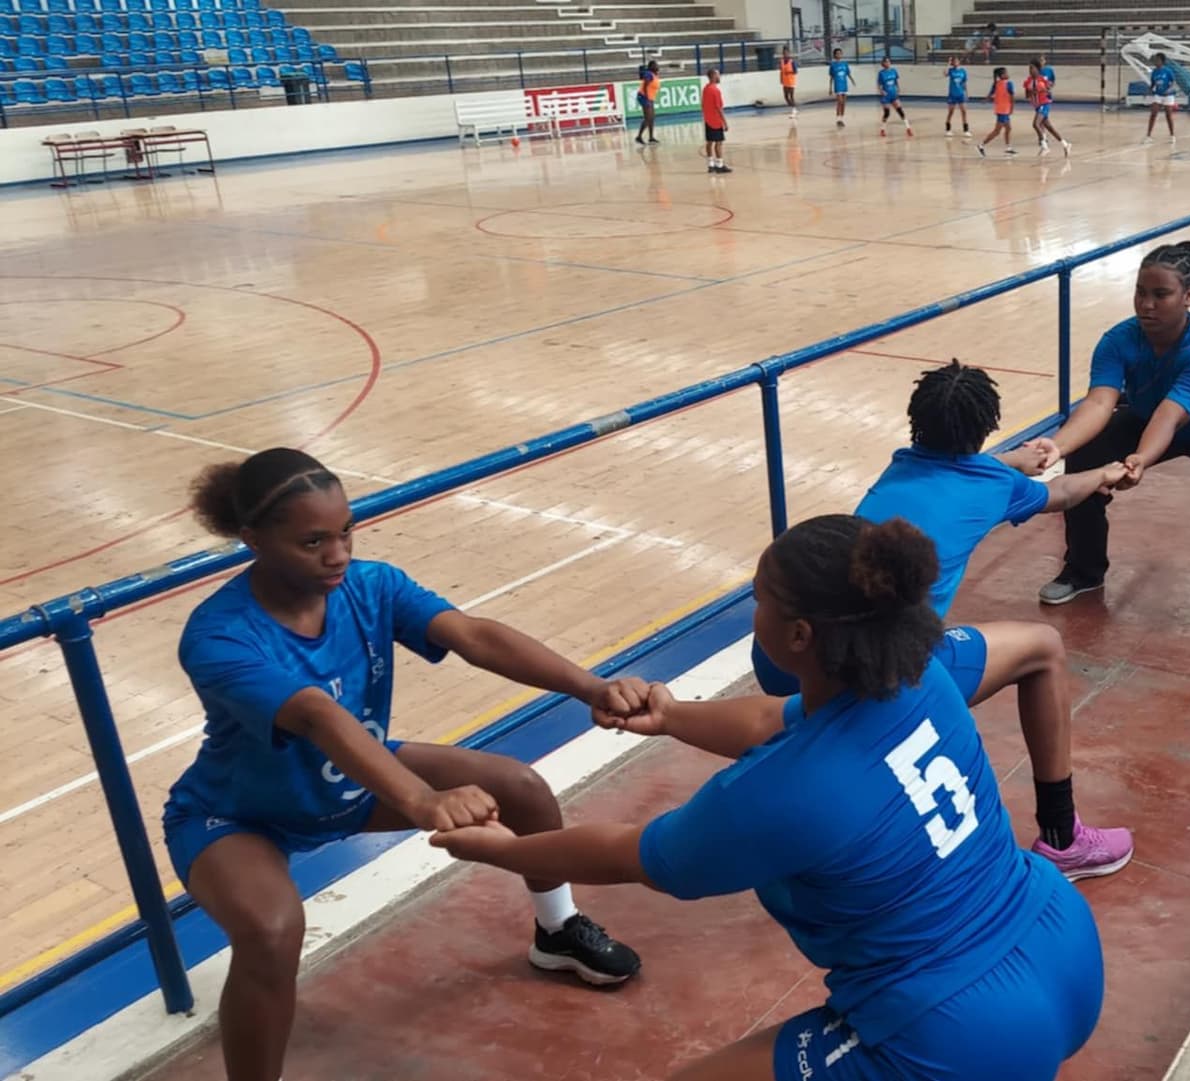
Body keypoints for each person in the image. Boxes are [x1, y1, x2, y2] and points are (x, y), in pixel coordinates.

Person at [433, 515, 1106, 1081]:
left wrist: (504, 850)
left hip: (958, 1032)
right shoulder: (921, 673)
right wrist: (672, 715)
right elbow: (771, 720)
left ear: (799, 634)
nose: (753, 609)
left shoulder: (777, 793)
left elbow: (630, 853)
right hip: (1062, 942)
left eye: (759, 598)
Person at [163, 449, 642, 1081]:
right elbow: (317, 716)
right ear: (252, 540)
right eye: (313, 542)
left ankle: (556, 933)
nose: (338, 555)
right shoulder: (218, 635)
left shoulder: (371, 586)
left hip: (352, 780)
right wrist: (420, 799)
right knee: (273, 932)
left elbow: (473, 636)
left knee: (522, 788)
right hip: (239, 814)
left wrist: (592, 687)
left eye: (346, 532)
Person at [750, 362, 1138, 878]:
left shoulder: (899, 467)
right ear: (984, 428)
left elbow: (958, 473)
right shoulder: (994, 483)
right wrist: (1104, 474)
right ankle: (1063, 837)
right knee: (1044, 648)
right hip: (871, 668)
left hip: (781, 659)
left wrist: (1011, 461)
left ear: (917, 422)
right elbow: (1062, 493)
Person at [1033, 242, 1190, 639]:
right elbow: (1099, 402)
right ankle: (1083, 570)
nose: (1146, 305)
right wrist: (1059, 446)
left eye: (1161, 294)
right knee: (1084, 456)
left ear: (1188, 296)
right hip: (1150, 415)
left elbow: (1170, 416)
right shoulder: (1118, 340)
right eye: (1141, 292)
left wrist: (1140, 458)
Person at [1026, 57, 1068, 156]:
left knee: (1036, 124)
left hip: (1044, 104)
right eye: (1029, 68)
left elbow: (1048, 89)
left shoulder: (1042, 79)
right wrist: (1032, 92)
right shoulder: (1028, 81)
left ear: (1037, 69)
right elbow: (1027, 95)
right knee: (1049, 127)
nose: (1030, 70)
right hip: (1037, 105)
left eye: (1032, 68)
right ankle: (1065, 144)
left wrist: (1044, 89)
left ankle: (1044, 145)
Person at [977, 66, 1017, 155]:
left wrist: (985, 100)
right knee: (997, 131)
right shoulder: (1009, 84)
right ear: (1002, 75)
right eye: (1006, 73)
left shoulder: (996, 83)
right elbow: (1012, 97)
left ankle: (1008, 147)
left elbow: (990, 94)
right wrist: (1012, 108)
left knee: (1008, 128)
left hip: (1001, 109)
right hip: (1003, 110)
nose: (1008, 74)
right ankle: (981, 145)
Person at [701, 67, 731, 174]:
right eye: (718, 75)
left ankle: (710, 164)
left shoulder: (705, 89)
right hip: (716, 121)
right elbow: (719, 108)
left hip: (708, 119)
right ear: (713, 76)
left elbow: (703, 105)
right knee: (718, 143)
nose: (719, 76)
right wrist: (725, 122)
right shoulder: (715, 90)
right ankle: (719, 165)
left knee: (709, 142)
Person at [1144, 52, 1178, 144]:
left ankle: (1172, 135)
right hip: (1158, 94)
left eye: (1157, 60)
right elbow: (1153, 83)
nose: (1155, 61)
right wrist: (1149, 91)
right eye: (1155, 60)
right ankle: (1148, 136)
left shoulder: (1167, 71)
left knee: (1168, 115)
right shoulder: (1154, 72)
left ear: (1162, 61)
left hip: (1168, 95)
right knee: (1153, 113)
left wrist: (1169, 89)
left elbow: (1173, 82)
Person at [877, 55, 912, 137]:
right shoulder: (881, 73)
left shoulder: (893, 71)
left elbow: (896, 81)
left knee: (900, 110)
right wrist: (881, 91)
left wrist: (898, 88)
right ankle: (882, 129)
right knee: (887, 113)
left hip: (893, 94)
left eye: (889, 61)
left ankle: (908, 128)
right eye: (886, 62)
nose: (888, 63)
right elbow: (879, 84)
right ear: (883, 63)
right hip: (886, 96)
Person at [634, 58, 660, 144]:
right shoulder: (648, 74)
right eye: (655, 65)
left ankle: (651, 137)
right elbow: (645, 85)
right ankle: (639, 137)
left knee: (652, 117)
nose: (657, 66)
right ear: (651, 66)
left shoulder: (654, 75)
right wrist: (647, 98)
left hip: (650, 98)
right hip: (644, 97)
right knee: (648, 118)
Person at [945, 54, 971, 137]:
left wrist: (966, 93)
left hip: (961, 94)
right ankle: (948, 129)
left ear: (959, 62)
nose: (955, 62)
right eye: (953, 61)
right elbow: (945, 74)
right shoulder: (951, 70)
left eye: (956, 61)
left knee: (964, 111)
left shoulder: (963, 71)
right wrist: (948, 64)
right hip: (952, 94)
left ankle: (966, 130)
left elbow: (964, 83)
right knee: (951, 112)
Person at [829, 47, 851, 128]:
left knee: (843, 103)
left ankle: (842, 119)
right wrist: (830, 88)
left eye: (840, 53)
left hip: (844, 86)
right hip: (837, 86)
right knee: (839, 102)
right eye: (837, 53)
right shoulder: (833, 65)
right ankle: (838, 119)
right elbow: (831, 77)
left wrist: (852, 81)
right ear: (834, 55)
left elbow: (848, 74)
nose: (839, 55)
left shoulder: (845, 64)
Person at [779, 45, 799, 119]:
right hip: (785, 81)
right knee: (786, 97)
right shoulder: (781, 61)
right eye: (784, 53)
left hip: (791, 81)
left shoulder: (792, 61)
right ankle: (794, 108)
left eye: (786, 53)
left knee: (791, 96)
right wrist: (781, 79)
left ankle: (793, 110)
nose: (785, 54)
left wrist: (789, 72)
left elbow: (795, 71)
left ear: (789, 53)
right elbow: (781, 71)